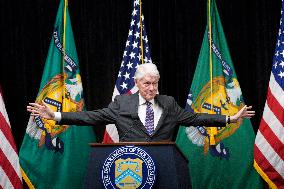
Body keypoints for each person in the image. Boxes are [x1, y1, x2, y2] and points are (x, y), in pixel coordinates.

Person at [27, 63, 255, 142]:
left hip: (164, 164)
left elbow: (195, 118)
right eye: (147, 83)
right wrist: (55, 115)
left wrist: (229, 118)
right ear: (137, 83)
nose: (152, 88)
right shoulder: (121, 103)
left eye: (155, 83)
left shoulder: (168, 103)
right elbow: (90, 116)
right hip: (130, 164)